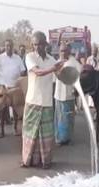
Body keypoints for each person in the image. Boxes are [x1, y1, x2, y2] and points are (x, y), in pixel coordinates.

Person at [22, 31, 65, 169]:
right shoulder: (30, 57)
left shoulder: (52, 60)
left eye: (39, 44)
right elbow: (38, 72)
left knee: (46, 136)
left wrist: (63, 69)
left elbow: (59, 76)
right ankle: (28, 161)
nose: (37, 47)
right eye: (34, 44)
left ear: (45, 44)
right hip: (33, 101)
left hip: (46, 102)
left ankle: (45, 161)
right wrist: (54, 68)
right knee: (30, 134)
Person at [0, 39, 26, 137]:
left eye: (10, 46)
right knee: (2, 111)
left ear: (13, 46)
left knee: (15, 110)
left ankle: (15, 129)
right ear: (4, 47)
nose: (8, 47)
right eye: (6, 46)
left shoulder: (17, 58)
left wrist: (20, 80)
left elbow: (23, 71)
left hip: (14, 87)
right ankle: (1, 131)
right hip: (3, 88)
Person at [54, 43, 81, 145]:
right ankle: (59, 138)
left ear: (69, 51)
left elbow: (79, 75)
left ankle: (67, 138)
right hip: (58, 94)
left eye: (65, 51)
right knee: (59, 118)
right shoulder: (57, 62)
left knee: (68, 118)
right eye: (61, 51)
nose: (62, 53)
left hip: (69, 95)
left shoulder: (73, 62)